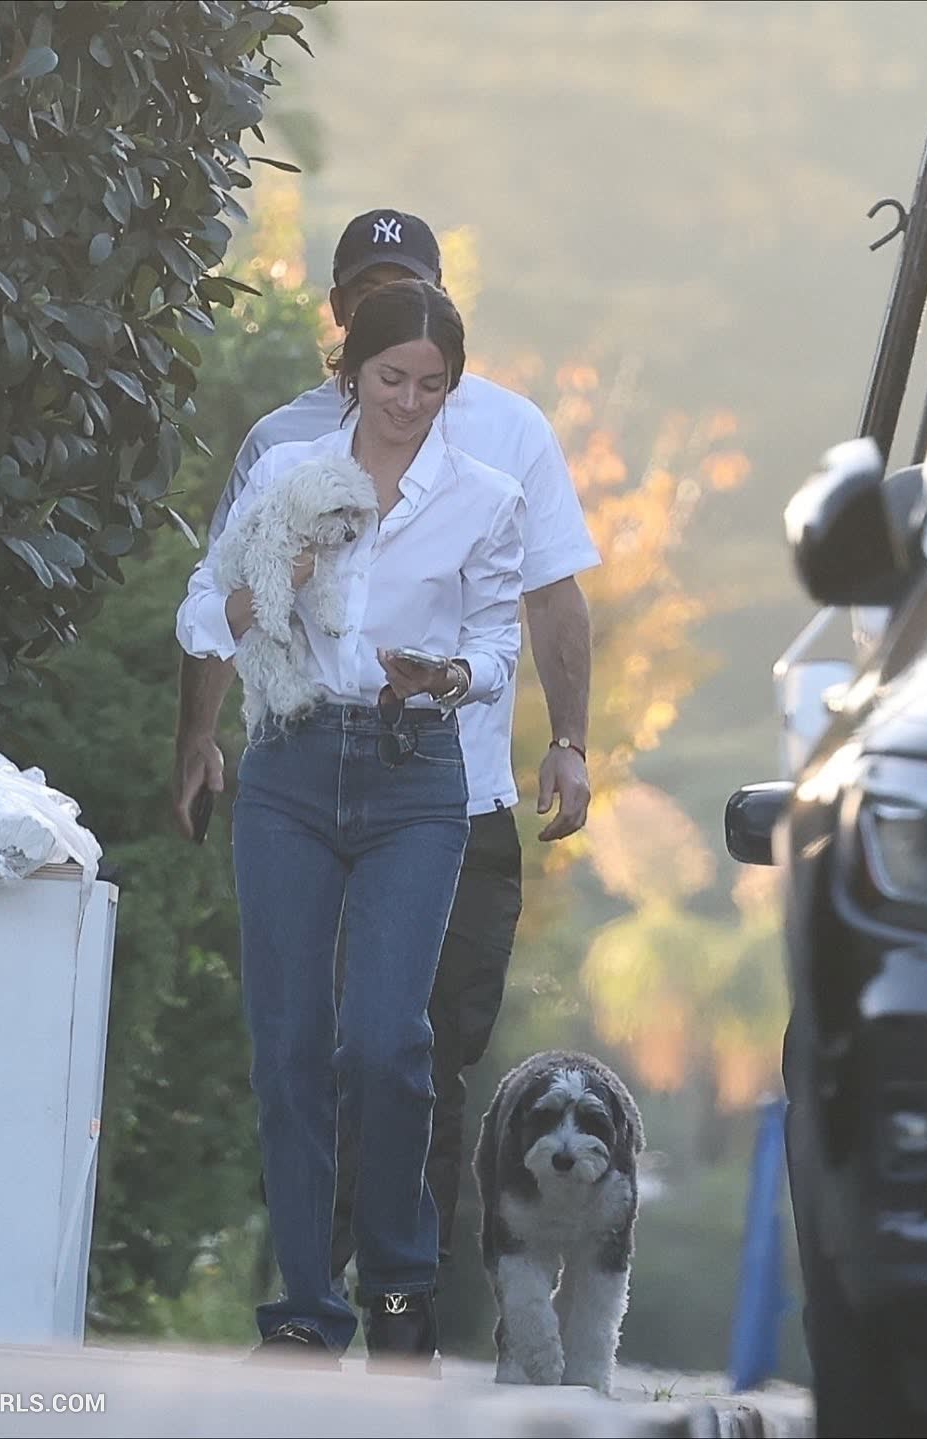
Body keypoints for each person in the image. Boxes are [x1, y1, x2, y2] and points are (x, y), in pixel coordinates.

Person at [173, 209, 601, 1278]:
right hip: (309, 767)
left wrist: (571, 739)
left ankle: (406, 1298)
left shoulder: (510, 436)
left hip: (458, 790)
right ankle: (311, 1291)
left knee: (420, 1052)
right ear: (340, 319)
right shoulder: (283, 446)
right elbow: (222, 598)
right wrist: (200, 735)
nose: (406, 387)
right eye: (366, 293)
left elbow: (549, 599)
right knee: (310, 1045)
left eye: (408, 287)